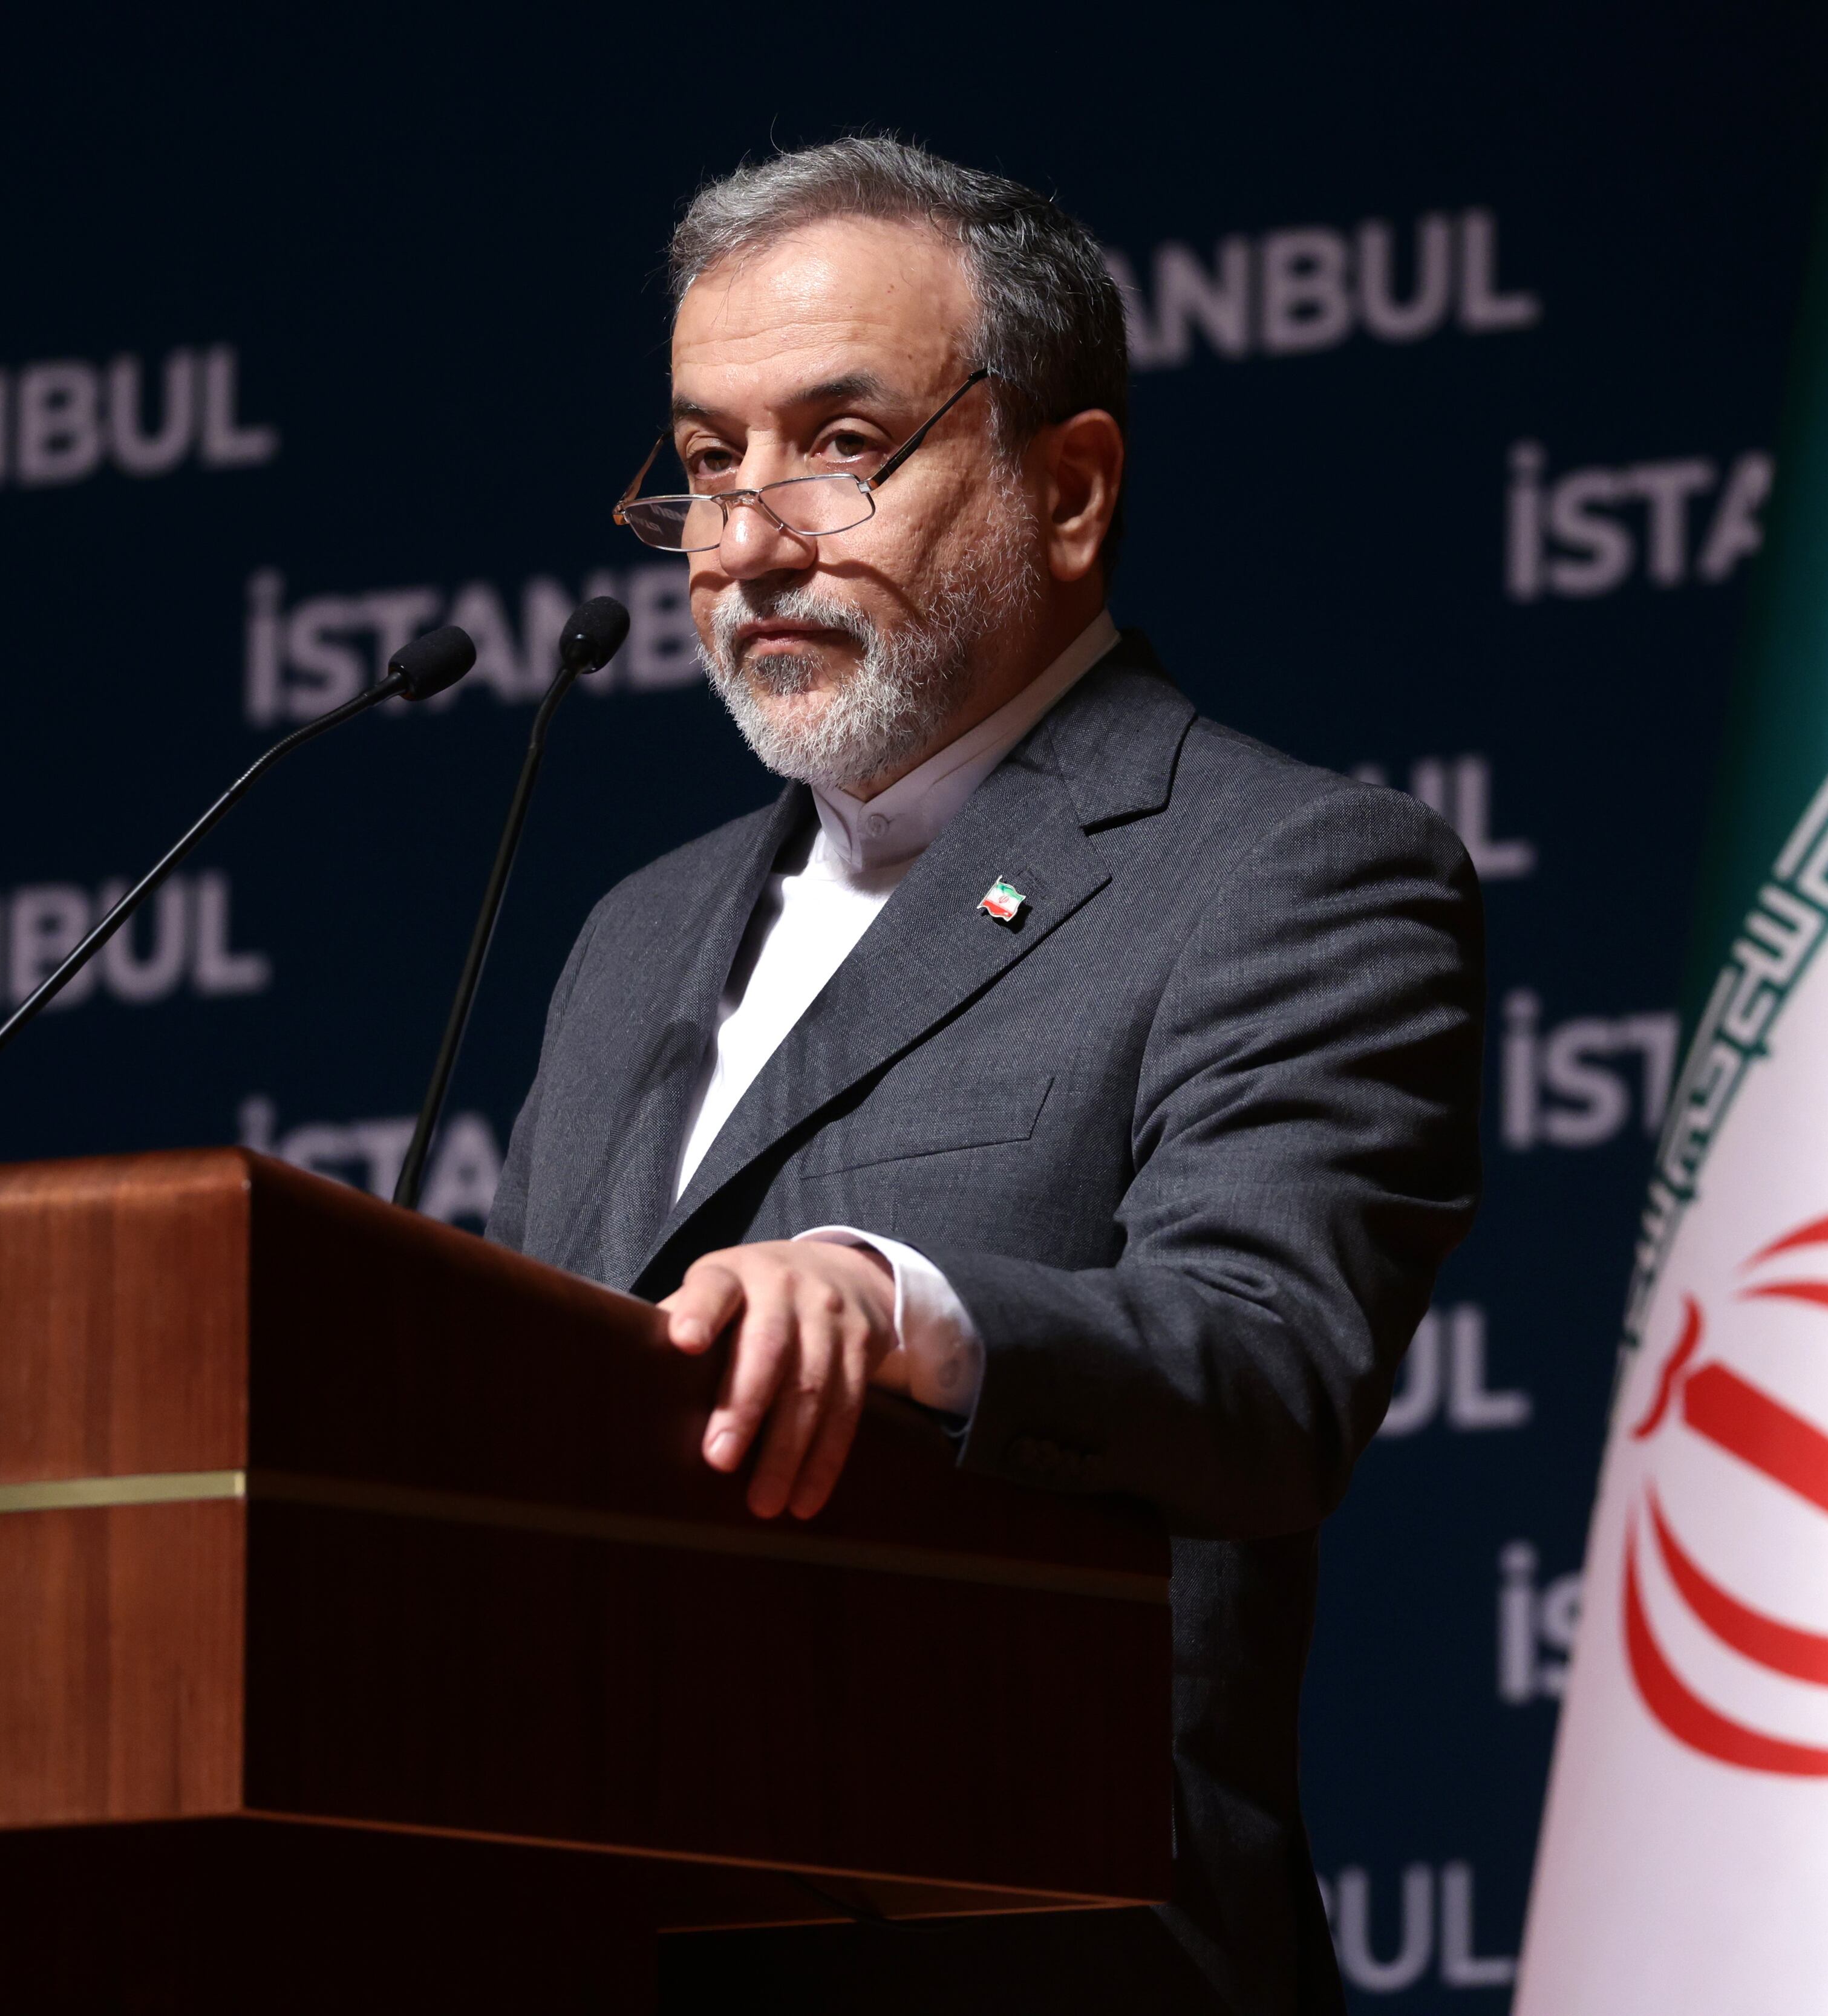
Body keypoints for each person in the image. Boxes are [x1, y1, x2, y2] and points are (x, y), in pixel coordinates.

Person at [487, 135, 1483, 2012]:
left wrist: (901, 1307)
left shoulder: (1283, 870)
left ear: (1072, 488)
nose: (752, 539)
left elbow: (1269, 1362)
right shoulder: (637, 933)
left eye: (840, 444)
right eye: (709, 464)